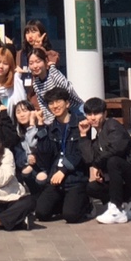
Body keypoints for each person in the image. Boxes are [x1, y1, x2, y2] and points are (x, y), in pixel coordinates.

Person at [78, 97, 131, 224]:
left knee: (114, 161)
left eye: (96, 113)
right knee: (91, 188)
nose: (92, 118)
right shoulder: (98, 138)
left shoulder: (113, 126)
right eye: (89, 114)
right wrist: (83, 135)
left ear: (105, 114)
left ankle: (116, 209)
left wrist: (97, 165)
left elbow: (116, 150)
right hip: (127, 182)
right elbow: (89, 159)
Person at [35, 86, 89, 224]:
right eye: (51, 103)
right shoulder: (50, 128)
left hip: (75, 177)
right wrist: (40, 125)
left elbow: (80, 152)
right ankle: (66, 203)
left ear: (67, 103)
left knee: (71, 216)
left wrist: (63, 170)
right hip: (56, 179)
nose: (55, 106)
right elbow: (45, 154)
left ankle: (86, 205)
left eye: (58, 101)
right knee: (41, 213)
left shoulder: (81, 123)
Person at [22, 47, 83, 123]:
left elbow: (70, 90)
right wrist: (50, 123)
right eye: (31, 63)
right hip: (59, 116)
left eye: (38, 61)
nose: (35, 66)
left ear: (45, 61)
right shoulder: (36, 84)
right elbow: (44, 106)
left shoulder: (53, 74)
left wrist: (53, 68)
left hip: (76, 110)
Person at [13, 101, 55, 196]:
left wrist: (32, 123)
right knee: (26, 170)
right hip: (34, 168)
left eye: (25, 111)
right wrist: (27, 158)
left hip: (46, 167)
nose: (21, 115)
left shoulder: (42, 128)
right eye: (18, 112)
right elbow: (18, 158)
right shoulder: (18, 134)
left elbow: (33, 143)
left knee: (41, 178)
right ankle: (35, 197)